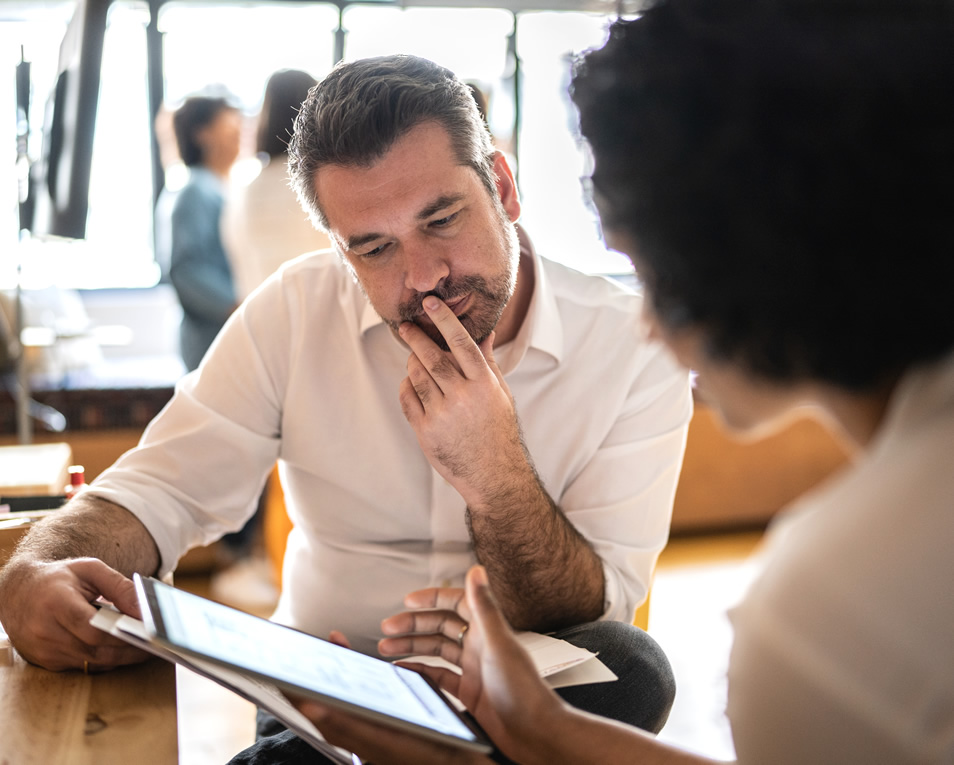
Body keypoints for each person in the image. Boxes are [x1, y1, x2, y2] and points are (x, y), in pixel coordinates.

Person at [289, 2, 954, 763]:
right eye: (373, 246)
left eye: (653, 273)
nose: (649, 326)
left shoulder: (826, 618)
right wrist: (544, 731)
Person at [0, 54, 692, 762]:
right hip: (330, 686)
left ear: (504, 187)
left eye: (443, 218)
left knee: (633, 667)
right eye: (374, 247)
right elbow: (154, 491)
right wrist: (34, 568)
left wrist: (497, 473)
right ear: (340, 248)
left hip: (516, 689)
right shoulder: (295, 310)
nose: (422, 279)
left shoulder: (635, 345)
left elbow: (593, 609)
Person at [222, 69, 332, 301]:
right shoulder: (320, 183)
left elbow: (238, 263)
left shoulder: (244, 190)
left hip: (260, 318)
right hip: (321, 314)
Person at [168, 95, 241, 372]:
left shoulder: (222, 187)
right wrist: (238, 305)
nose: (239, 129)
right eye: (229, 122)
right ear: (202, 134)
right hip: (211, 339)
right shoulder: (195, 192)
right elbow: (187, 271)